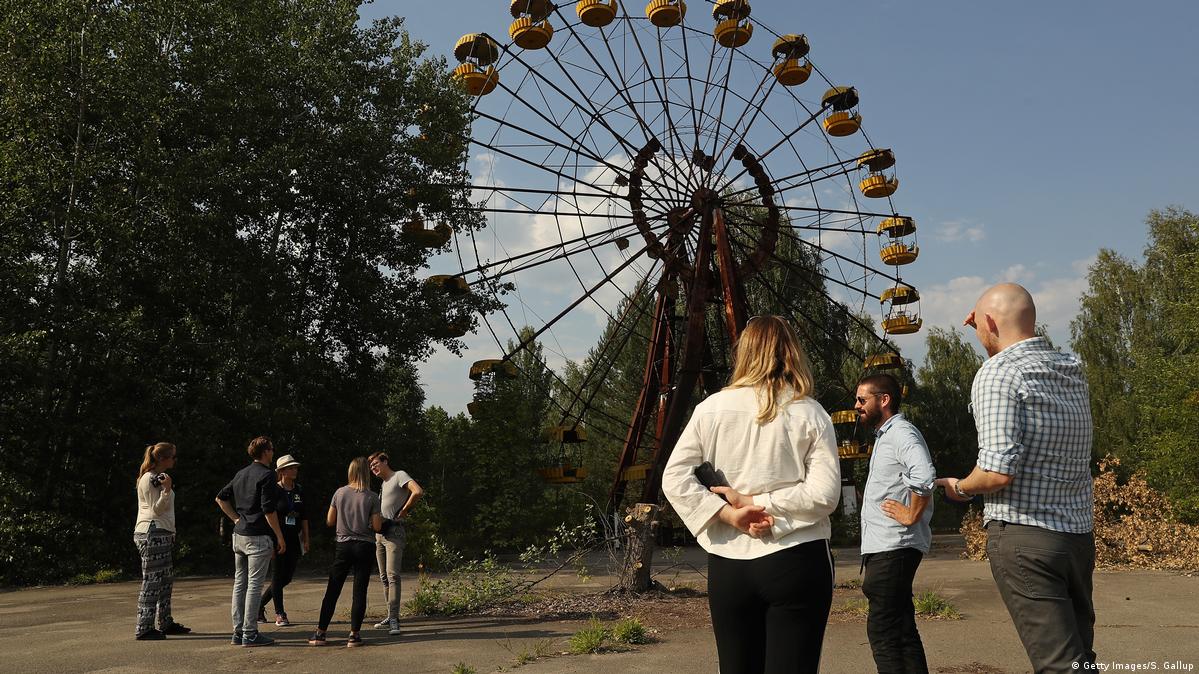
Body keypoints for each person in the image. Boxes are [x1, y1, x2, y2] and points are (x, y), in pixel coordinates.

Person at [662, 315, 841, 674]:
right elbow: (825, 495)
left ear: (742, 353)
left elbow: (673, 477)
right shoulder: (810, 412)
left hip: (729, 564)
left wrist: (728, 514)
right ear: (792, 352)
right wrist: (764, 504)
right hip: (797, 557)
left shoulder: (710, 409)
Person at [936, 283, 1096, 673]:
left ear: (988, 320)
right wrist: (990, 326)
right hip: (1076, 537)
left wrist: (958, 487)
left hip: (1025, 537)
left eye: (978, 324)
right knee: (1079, 661)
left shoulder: (998, 374)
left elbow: (995, 472)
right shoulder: (1070, 369)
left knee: (1059, 665)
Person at [856, 373, 935, 674]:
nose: (857, 405)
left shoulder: (901, 433)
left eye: (862, 399)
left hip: (893, 547)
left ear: (884, 400)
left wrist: (911, 514)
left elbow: (923, 475)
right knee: (902, 631)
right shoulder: (886, 436)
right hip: (888, 548)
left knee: (884, 634)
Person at [215, 436, 286, 647]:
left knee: (240, 584)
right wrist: (279, 536)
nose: (273, 452)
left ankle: (238, 631)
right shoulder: (267, 475)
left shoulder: (241, 473)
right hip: (257, 536)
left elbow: (220, 497)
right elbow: (268, 510)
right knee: (254, 585)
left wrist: (236, 518)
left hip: (239, 534)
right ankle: (250, 632)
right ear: (265, 452)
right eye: (272, 449)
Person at [308, 457, 383, 647]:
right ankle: (354, 635)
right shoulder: (372, 496)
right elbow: (376, 526)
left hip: (343, 545)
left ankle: (320, 632)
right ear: (366, 472)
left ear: (351, 471)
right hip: (365, 546)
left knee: (333, 589)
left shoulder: (339, 493)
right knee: (359, 591)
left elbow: (330, 521)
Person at [132, 442, 190, 640]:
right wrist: (166, 490)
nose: (175, 460)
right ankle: (144, 627)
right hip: (151, 532)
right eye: (173, 457)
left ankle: (165, 622)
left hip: (162, 533)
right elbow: (155, 509)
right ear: (162, 459)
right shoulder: (148, 479)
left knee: (165, 581)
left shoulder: (158, 478)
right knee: (152, 581)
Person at [368, 451, 424, 636]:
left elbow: (417, 491)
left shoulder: (399, 475)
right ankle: (391, 615)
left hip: (394, 532)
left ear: (385, 461)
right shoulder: (383, 484)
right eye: (371, 466)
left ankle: (394, 619)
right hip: (380, 534)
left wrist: (406, 509)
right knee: (384, 577)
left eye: (376, 463)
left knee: (393, 576)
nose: (373, 468)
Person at [257, 454, 310, 627]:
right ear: (281, 471)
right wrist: (273, 538)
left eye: (295, 467)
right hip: (277, 538)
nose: (294, 470)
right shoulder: (274, 490)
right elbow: (268, 514)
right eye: (290, 468)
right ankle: (280, 613)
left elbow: (304, 516)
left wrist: (306, 538)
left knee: (286, 578)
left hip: (294, 538)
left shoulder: (299, 489)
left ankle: (258, 605)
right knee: (277, 576)